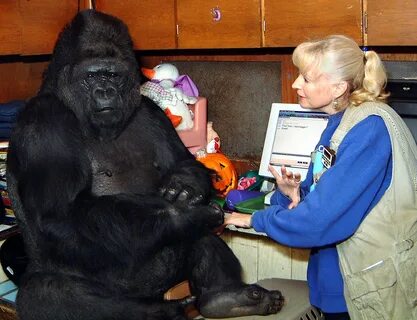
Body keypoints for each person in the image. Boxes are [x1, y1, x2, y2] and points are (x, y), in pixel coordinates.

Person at [225, 35, 417, 320]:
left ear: (339, 87)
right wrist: (293, 194)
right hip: (334, 282)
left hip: (363, 288)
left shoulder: (368, 129)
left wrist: (254, 219)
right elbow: (324, 192)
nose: (295, 84)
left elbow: (319, 221)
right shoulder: (339, 122)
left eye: (306, 78)